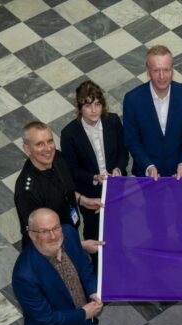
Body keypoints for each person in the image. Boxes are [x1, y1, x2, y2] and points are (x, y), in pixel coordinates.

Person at [12, 208, 106, 325]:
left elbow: (85, 267)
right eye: (45, 231)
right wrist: (83, 313)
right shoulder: (24, 274)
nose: (54, 235)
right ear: (32, 234)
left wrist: (92, 291)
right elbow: (45, 317)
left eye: (56, 228)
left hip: (83, 322)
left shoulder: (68, 233)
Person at [61, 80, 128, 267]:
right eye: (88, 105)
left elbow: (123, 152)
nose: (93, 110)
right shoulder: (69, 134)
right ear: (80, 107)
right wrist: (94, 177)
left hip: (115, 189)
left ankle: (118, 265)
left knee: (118, 229)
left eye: (97, 104)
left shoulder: (113, 121)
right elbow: (71, 169)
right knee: (94, 232)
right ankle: (99, 269)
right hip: (90, 193)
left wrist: (118, 170)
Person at [15, 121, 103, 253]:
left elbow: (64, 189)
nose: (48, 149)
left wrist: (83, 201)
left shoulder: (58, 158)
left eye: (50, 141)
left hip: (68, 233)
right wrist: (81, 246)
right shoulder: (28, 191)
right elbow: (40, 237)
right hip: (50, 251)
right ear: (27, 149)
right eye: (39, 144)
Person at [123, 45, 182, 180]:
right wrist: (148, 166)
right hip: (147, 175)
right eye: (156, 70)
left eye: (166, 70)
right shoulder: (132, 100)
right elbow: (132, 141)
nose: (162, 76)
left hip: (181, 174)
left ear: (172, 70)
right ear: (148, 71)